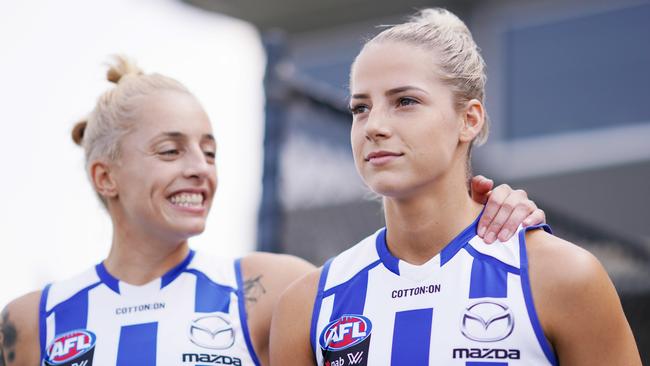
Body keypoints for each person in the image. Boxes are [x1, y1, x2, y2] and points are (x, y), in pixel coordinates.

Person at [0, 56, 544, 366]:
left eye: (209, 151)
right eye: (170, 150)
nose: (198, 168)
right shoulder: (31, 321)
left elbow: (404, 271)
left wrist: (490, 214)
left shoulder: (268, 286)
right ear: (105, 176)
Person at [270, 8, 641, 366]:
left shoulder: (563, 276)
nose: (373, 126)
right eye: (360, 108)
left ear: (469, 119)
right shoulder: (308, 305)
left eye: (405, 101)